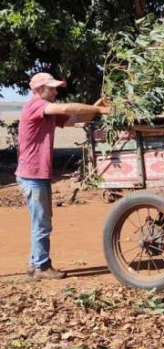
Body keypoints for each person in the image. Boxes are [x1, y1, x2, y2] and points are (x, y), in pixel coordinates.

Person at [16, 72, 110, 280]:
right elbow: (67, 107)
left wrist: (96, 107)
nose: (56, 91)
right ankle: (41, 266)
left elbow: (76, 118)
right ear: (40, 90)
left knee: (41, 220)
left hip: (38, 173)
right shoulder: (36, 106)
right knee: (42, 223)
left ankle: (35, 264)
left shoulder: (48, 112)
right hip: (32, 174)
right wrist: (100, 109)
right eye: (52, 88)